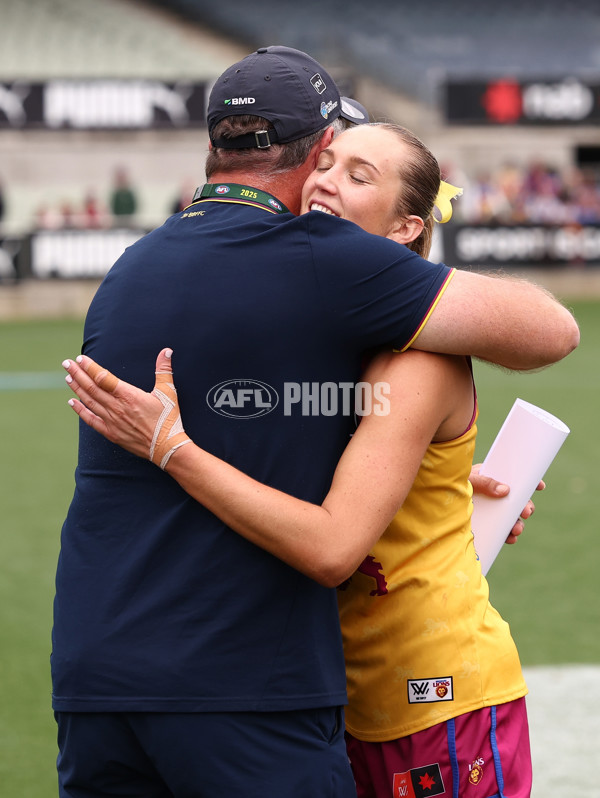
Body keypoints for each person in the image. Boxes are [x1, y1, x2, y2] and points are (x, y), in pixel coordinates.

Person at [53, 45, 577, 798]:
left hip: (125, 675)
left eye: (358, 175)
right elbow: (292, 429)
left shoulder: (135, 266)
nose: (330, 183)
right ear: (314, 146)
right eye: (331, 163)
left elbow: (285, 429)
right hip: (268, 691)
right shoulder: (321, 282)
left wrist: (433, 485)